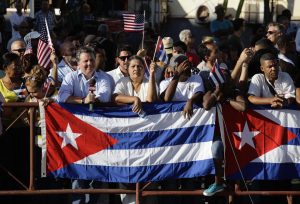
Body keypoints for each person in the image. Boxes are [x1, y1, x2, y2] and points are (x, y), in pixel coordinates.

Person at [58, 46, 114, 204]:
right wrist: (82, 101)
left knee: (96, 173)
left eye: (91, 60)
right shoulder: (70, 77)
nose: (89, 63)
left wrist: (93, 99)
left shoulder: (103, 77)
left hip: (97, 132)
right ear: (78, 63)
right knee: (78, 174)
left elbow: (104, 95)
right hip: (75, 132)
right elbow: (62, 97)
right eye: (85, 61)